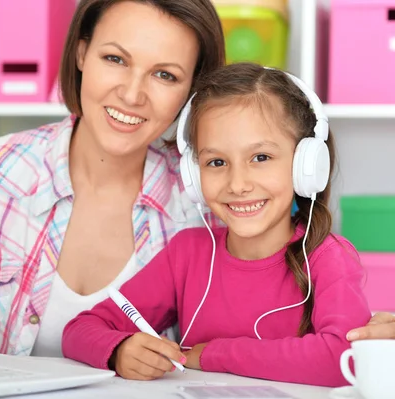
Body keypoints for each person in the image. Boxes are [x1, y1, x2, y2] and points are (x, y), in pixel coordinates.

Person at [0, 0, 226, 355]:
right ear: (82, 53)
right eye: (115, 59)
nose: (132, 94)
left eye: (165, 75)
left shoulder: (207, 204)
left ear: (192, 90)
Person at [61, 63, 373, 387]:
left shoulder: (327, 256)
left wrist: (213, 355)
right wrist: (119, 350)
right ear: (194, 177)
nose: (238, 184)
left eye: (261, 157)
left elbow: (344, 359)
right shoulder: (188, 253)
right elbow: (80, 330)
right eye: (216, 162)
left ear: (305, 165)